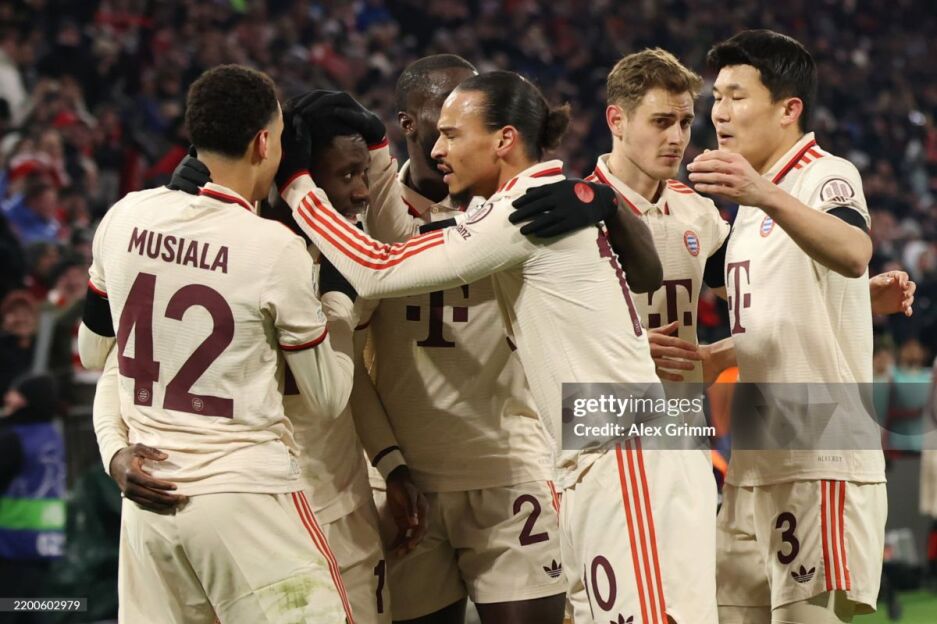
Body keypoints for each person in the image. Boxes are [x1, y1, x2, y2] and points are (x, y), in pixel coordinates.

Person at [79, 64, 355, 623]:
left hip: (149, 502)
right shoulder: (273, 248)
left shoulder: (124, 216)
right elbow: (328, 398)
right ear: (264, 143)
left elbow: (93, 354)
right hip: (245, 499)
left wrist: (113, 450)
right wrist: (339, 300)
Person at [351, 55, 566, 624]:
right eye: (443, 117)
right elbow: (345, 360)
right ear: (408, 123)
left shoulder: (517, 209)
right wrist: (389, 464)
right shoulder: (363, 215)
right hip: (404, 482)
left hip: (508, 470)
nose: (456, 124)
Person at [686, 30, 887, 623]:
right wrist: (717, 355)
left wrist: (764, 194)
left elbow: (854, 251)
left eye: (738, 96)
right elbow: (778, 316)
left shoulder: (824, 174)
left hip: (820, 455)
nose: (719, 112)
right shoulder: (750, 205)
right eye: (717, 97)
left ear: (788, 109)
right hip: (756, 459)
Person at [0, 373, 65, 623]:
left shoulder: (15, 439)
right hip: (45, 543)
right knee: (30, 611)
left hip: (12, 543)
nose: (8, 397)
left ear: (27, 400)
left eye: (15, 392)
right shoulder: (51, 435)